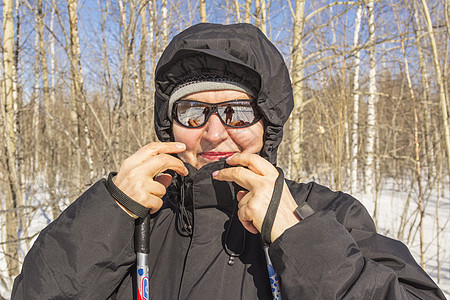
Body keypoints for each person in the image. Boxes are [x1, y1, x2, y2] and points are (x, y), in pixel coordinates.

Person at [12, 23, 445, 300]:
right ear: (169, 124)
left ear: (268, 123)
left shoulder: (326, 213)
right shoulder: (133, 216)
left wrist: (295, 235)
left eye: (238, 111)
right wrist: (111, 210)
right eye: (192, 112)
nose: (215, 132)